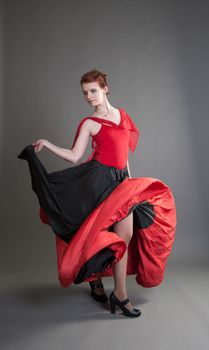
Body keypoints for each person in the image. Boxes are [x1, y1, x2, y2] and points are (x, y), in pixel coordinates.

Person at [17, 69, 177, 318]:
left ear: (105, 89)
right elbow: (74, 156)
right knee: (96, 234)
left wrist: (131, 184)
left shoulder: (123, 116)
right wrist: (47, 145)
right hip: (96, 182)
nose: (89, 97)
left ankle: (115, 291)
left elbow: (124, 159)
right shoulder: (89, 123)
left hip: (121, 183)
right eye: (84, 93)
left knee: (124, 237)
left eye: (93, 91)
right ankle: (116, 293)